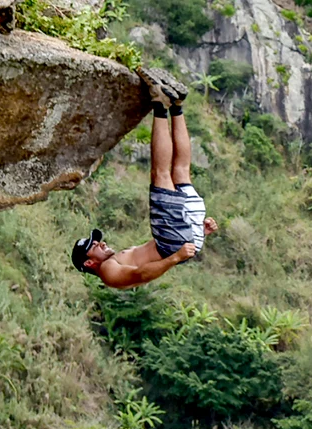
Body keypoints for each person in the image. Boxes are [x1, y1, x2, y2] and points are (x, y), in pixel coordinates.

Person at [71, 68, 218, 289]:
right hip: (176, 242)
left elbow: (148, 257)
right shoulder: (108, 272)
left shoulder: (115, 260)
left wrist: (197, 231)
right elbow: (142, 275)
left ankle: (177, 105)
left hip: (184, 235)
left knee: (180, 170)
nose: (101, 243)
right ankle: (160, 102)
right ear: (90, 262)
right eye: (94, 246)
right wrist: (175, 257)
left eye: (97, 241)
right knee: (161, 174)